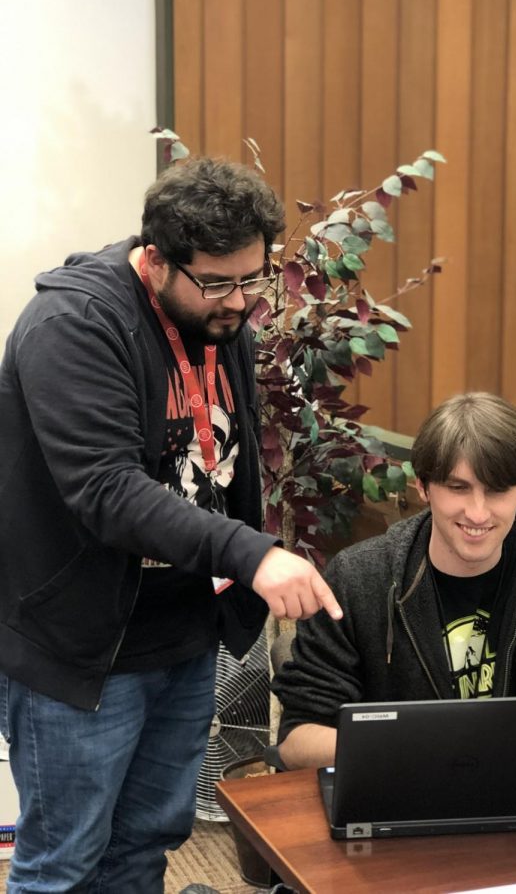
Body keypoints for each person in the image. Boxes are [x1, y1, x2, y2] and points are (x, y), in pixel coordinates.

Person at [0, 157, 342, 892]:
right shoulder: (73, 324)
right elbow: (106, 490)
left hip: (182, 633)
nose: (239, 302)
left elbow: (223, 462)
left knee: (145, 847)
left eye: (252, 278)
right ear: (154, 260)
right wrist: (250, 553)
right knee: (63, 864)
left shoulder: (222, 321)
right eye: (216, 281)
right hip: (83, 645)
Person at [272, 392, 516, 770]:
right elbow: (297, 742)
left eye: (497, 490)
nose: (477, 513)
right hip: (392, 796)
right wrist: (424, 748)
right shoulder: (359, 578)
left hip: (510, 791)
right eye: (458, 487)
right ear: (423, 486)